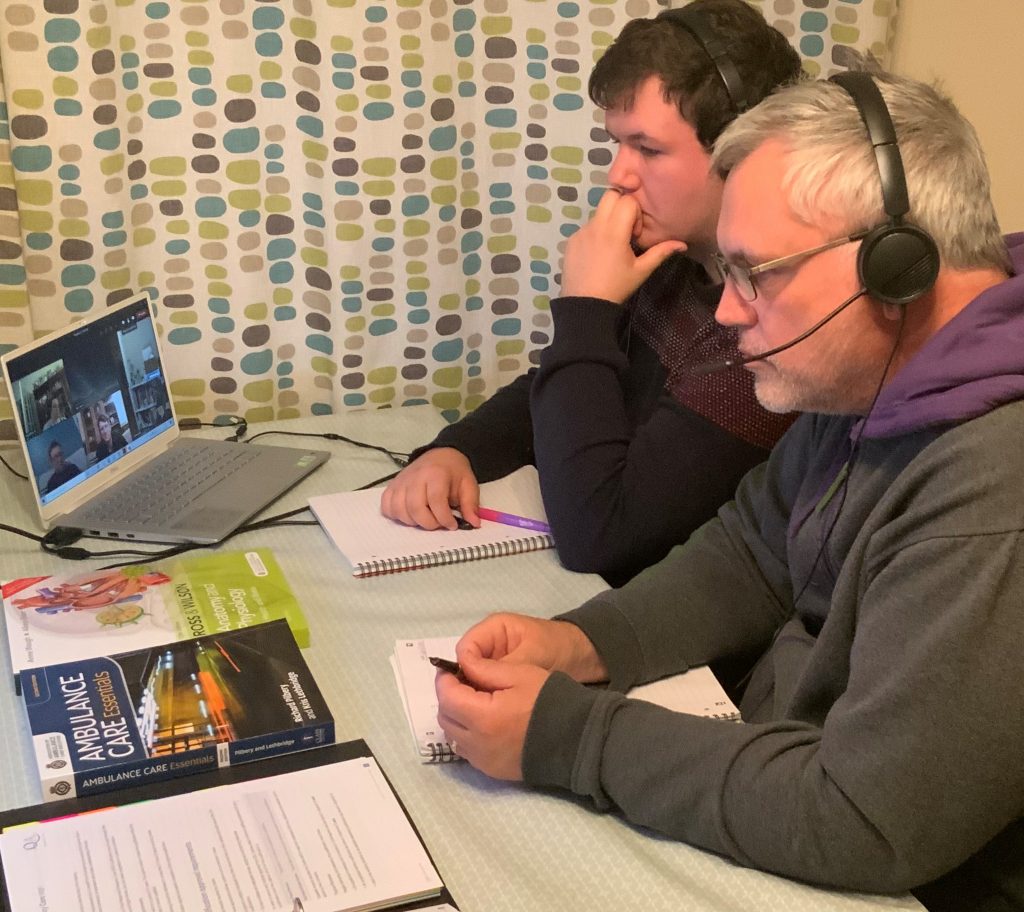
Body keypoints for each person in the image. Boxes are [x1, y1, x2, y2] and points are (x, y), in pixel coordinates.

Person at [434, 71, 1024, 909]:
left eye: (756, 274)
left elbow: (866, 819)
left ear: (897, 268)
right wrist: (584, 642)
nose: (728, 313)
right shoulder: (874, 377)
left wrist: (567, 737)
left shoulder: (994, 492)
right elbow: (753, 553)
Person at [381, 0, 802, 584]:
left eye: (648, 149)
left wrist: (586, 309)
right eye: (618, 144)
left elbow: (600, 536)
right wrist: (456, 450)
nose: (618, 175)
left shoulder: (769, 324)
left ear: (743, 152)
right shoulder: (672, 260)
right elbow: (569, 387)